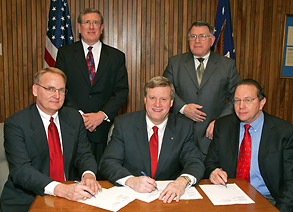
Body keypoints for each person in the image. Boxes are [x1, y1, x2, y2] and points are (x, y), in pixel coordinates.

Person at [0, 68, 102, 212]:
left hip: (69, 197)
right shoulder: (16, 123)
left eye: (61, 90)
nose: (57, 95)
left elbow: (84, 154)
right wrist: (60, 189)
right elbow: (21, 170)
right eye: (50, 89)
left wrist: (89, 175)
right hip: (27, 200)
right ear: (35, 90)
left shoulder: (73, 118)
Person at [99, 76, 204, 203]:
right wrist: (131, 181)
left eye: (163, 99)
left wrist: (182, 182)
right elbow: (108, 162)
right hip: (132, 198)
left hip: (168, 200)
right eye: (152, 98)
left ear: (171, 102)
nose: (157, 104)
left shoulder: (184, 127)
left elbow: (195, 162)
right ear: (145, 100)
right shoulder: (124, 124)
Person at [205, 79, 293, 212]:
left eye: (248, 100)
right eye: (237, 100)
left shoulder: (285, 133)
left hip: (269, 199)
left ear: (262, 103)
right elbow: (210, 162)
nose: (241, 106)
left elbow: (292, 182)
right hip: (228, 196)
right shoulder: (223, 126)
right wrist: (213, 172)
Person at [55, 8, 129, 163]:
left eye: (96, 23)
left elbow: (121, 91)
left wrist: (101, 115)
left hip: (102, 129)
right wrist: (80, 115)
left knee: (101, 177)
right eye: (87, 22)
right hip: (72, 125)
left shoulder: (116, 57)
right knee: (72, 177)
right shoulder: (65, 53)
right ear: (79, 27)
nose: (91, 27)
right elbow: (59, 88)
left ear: (101, 28)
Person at [163, 21, 241, 158]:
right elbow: (164, 91)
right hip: (179, 136)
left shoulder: (227, 65)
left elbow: (237, 98)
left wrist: (220, 122)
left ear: (212, 40)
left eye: (202, 36)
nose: (197, 41)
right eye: (193, 36)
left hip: (211, 137)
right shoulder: (175, 63)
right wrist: (183, 108)